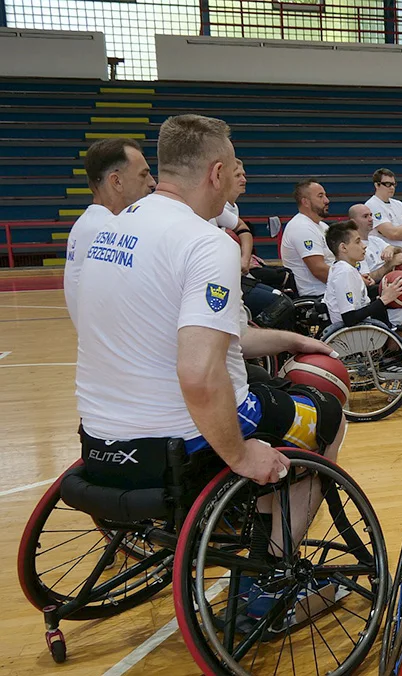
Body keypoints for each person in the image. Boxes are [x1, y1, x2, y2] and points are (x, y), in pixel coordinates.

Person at [71, 114, 347, 620]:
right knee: (325, 414)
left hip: (100, 437)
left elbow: (203, 333)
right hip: (177, 438)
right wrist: (241, 455)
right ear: (216, 172)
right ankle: (272, 574)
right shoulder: (206, 243)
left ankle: (240, 522)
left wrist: (289, 336)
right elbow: (198, 373)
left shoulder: (106, 231)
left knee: (269, 390)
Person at [64, 137, 156, 323]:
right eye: (143, 174)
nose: (153, 183)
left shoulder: (88, 224)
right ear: (117, 182)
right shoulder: (108, 229)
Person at [280, 179, 334, 297]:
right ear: (306, 202)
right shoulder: (302, 227)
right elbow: (319, 270)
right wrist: (352, 280)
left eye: (325, 195)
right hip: (318, 296)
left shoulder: (322, 226)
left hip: (332, 291)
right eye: (320, 196)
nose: (327, 200)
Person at [210, 159, 254, 275]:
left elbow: (244, 231)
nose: (244, 180)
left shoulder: (234, 207)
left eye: (244, 175)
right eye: (238, 176)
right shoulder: (214, 207)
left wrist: (246, 258)